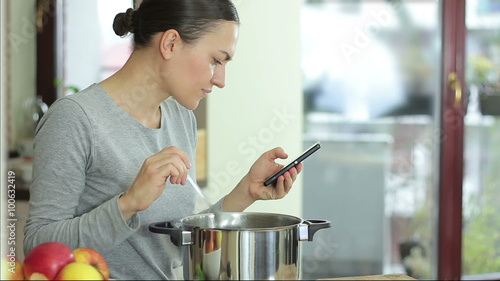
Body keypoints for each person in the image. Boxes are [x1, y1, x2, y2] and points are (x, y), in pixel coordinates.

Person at [23, 0, 302, 279]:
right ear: (170, 43)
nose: (221, 80)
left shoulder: (180, 118)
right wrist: (129, 202)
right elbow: (38, 245)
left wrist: (246, 192)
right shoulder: (75, 119)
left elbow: (175, 242)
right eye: (216, 60)